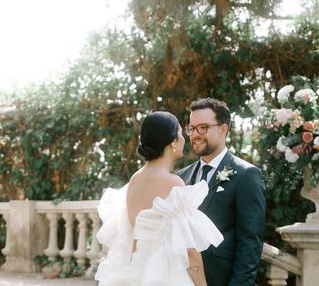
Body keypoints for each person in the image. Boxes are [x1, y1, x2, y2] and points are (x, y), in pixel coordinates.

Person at [95, 111, 224, 286]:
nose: (184, 138)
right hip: (168, 274)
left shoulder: (135, 180)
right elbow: (189, 250)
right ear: (172, 142)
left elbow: (134, 238)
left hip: (137, 271)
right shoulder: (173, 183)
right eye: (180, 133)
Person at [176, 98, 265, 286]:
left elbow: (250, 244)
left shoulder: (246, 175)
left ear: (223, 129)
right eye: (191, 128)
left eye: (203, 128)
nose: (195, 135)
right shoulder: (180, 177)